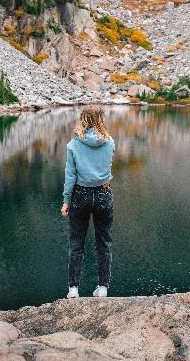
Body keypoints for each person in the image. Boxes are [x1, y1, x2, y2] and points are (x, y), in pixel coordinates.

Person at [61, 105, 115, 299]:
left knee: (77, 244)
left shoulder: (73, 145)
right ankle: (103, 288)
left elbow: (70, 176)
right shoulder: (109, 142)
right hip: (103, 194)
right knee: (104, 242)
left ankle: (73, 289)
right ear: (101, 119)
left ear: (82, 119)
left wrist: (66, 200)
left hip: (80, 195)